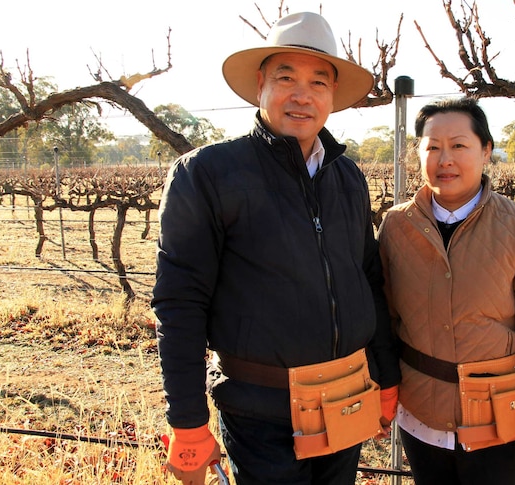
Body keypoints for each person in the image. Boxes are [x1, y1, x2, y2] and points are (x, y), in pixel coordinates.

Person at [152, 12, 400, 485]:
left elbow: (368, 278)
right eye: (287, 77)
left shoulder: (346, 176)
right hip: (260, 412)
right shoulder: (206, 174)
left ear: (332, 96)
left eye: (319, 82)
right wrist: (187, 420)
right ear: (261, 84)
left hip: (346, 401)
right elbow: (179, 301)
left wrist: (385, 376)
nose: (303, 95)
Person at [377, 97, 515, 484]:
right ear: (417, 154)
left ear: (486, 150)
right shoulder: (395, 226)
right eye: (433, 147)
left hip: (500, 413)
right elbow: (387, 320)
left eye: (459, 145)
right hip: (421, 411)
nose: (445, 160)